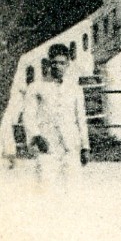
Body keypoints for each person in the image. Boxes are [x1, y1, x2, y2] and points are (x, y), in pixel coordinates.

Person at [17, 44, 89, 182]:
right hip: (47, 145)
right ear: (49, 62)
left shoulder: (75, 88)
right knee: (46, 187)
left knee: (73, 188)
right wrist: (37, 137)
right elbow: (28, 115)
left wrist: (85, 147)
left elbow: (81, 118)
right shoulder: (36, 87)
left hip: (71, 146)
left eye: (62, 63)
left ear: (68, 64)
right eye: (54, 62)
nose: (57, 66)